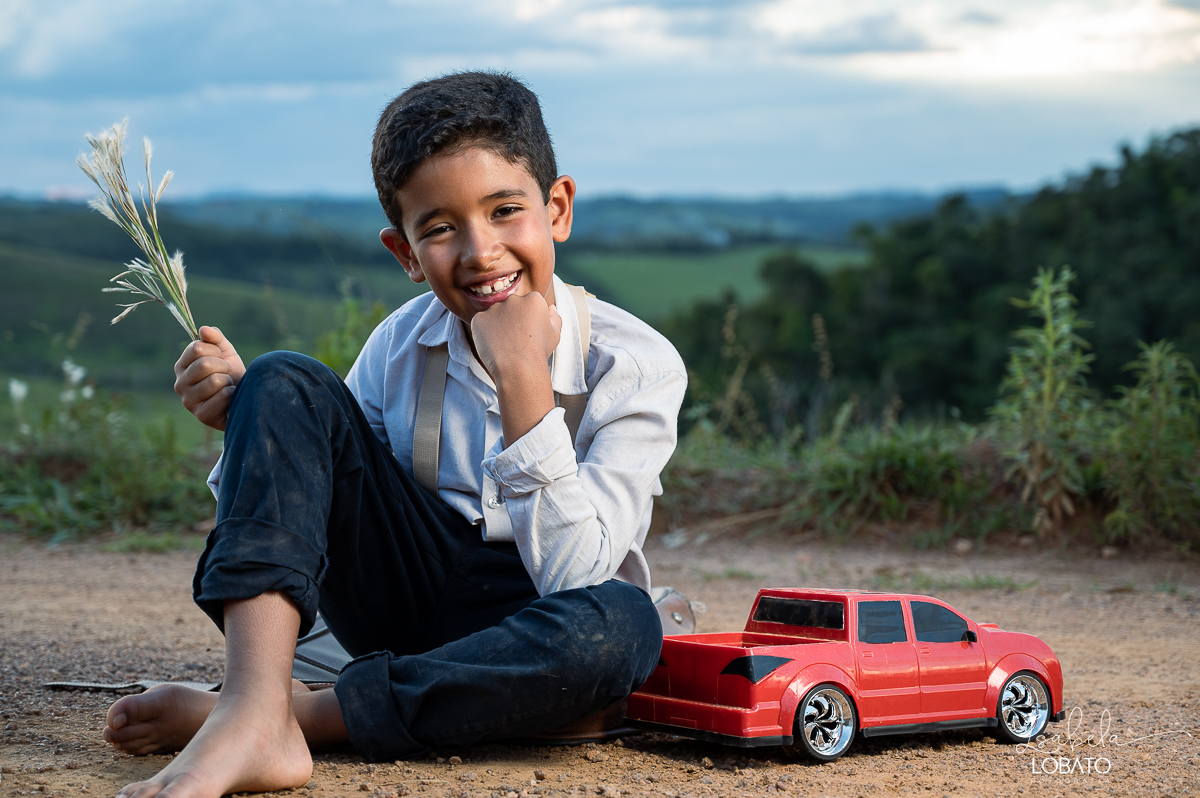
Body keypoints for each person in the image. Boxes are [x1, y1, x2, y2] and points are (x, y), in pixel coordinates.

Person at [101, 71, 687, 798]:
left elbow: (575, 580)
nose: (479, 251)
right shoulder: (398, 345)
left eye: (505, 210)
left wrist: (522, 381)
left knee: (624, 627)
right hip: (403, 601)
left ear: (557, 207)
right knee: (282, 380)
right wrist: (251, 417)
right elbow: (319, 507)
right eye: (439, 228)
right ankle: (251, 711)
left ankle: (304, 718)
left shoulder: (636, 364)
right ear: (404, 252)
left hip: (533, 621)